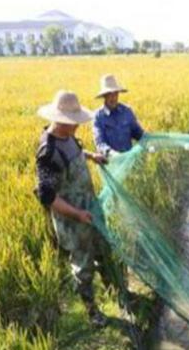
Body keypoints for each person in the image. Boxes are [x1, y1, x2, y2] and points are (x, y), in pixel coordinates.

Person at [35, 90, 126, 327]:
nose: (76, 126)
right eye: (71, 122)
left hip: (89, 208)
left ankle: (115, 293)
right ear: (60, 120)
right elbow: (47, 196)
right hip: (73, 220)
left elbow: (74, 151)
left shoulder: (69, 137)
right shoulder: (48, 152)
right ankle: (92, 311)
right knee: (83, 265)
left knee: (104, 249)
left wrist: (91, 156)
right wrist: (77, 214)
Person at [93, 74, 145, 156]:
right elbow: (100, 143)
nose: (113, 98)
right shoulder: (98, 116)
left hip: (128, 161)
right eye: (110, 94)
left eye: (115, 94)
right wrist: (112, 153)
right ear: (104, 96)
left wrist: (148, 139)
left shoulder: (127, 111)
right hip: (110, 164)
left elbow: (138, 133)